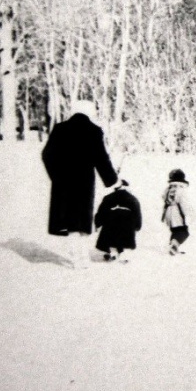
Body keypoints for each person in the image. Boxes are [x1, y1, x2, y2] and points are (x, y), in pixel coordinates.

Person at [42, 100, 120, 269]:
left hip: (63, 184)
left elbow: (47, 155)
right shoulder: (94, 131)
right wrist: (112, 180)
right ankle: (82, 257)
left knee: (70, 223)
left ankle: (76, 258)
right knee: (82, 221)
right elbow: (101, 159)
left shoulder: (60, 128)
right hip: (84, 184)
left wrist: (56, 176)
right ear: (89, 111)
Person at [94, 179, 142, 262]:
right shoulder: (133, 199)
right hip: (128, 225)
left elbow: (102, 212)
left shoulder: (109, 197)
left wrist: (98, 223)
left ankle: (111, 253)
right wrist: (137, 226)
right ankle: (123, 254)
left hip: (111, 223)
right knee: (124, 238)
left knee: (110, 237)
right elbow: (137, 214)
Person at [162, 168, 196, 255]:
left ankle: (173, 246)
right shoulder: (181, 189)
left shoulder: (168, 189)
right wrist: (190, 215)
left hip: (168, 213)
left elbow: (163, 197)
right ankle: (174, 245)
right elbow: (184, 204)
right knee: (184, 232)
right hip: (177, 213)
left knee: (175, 231)